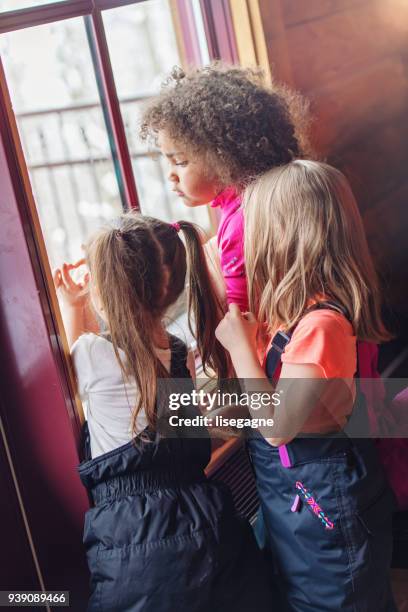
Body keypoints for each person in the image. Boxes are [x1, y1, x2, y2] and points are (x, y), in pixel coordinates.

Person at [53, 212, 273, 612]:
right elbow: (182, 434)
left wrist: (73, 304)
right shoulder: (179, 356)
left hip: (132, 541)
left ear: (106, 291)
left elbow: (76, 364)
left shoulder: (92, 355)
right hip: (207, 522)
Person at [215, 160, 397, 611]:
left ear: (284, 237)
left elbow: (277, 427)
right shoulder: (293, 317)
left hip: (326, 507)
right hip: (303, 504)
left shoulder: (321, 326)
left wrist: (240, 349)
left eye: (254, 230)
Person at [140, 62, 309, 319]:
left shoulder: (239, 224)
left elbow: (241, 319)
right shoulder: (262, 196)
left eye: (181, 162)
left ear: (222, 155)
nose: (170, 174)